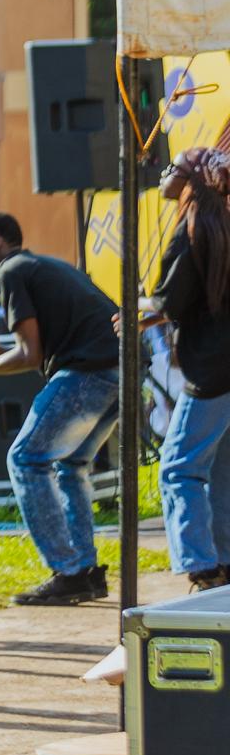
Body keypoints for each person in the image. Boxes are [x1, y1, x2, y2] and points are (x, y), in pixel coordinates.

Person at [0, 210, 122, 606]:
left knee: (25, 458)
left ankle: (68, 572)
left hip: (91, 371)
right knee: (70, 466)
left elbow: (30, 355)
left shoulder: (9, 271)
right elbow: (34, 348)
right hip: (123, 372)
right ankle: (84, 571)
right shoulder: (40, 264)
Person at [151, 149, 230, 593]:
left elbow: (173, 300)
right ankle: (223, 562)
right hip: (226, 367)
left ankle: (200, 566)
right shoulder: (223, 224)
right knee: (220, 467)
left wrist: (143, 312)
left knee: (178, 467)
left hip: (213, 370)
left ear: (190, 180)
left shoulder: (194, 227)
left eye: (172, 169)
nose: (164, 174)